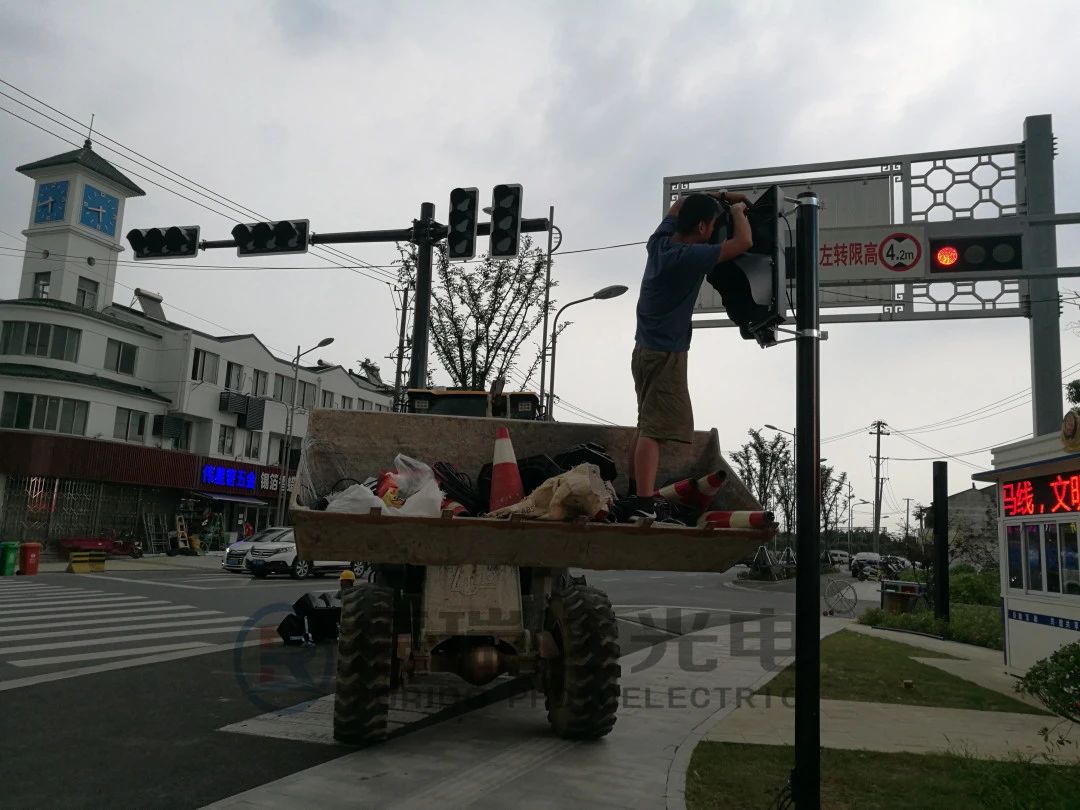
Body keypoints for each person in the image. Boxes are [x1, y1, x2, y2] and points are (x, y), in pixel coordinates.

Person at [626, 190, 753, 517]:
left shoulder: (660, 242)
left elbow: (680, 202)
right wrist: (737, 210)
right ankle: (644, 503)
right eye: (711, 224)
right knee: (654, 430)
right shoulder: (688, 256)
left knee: (647, 423)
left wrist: (721, 196)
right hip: (665, 354)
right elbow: (743, 243)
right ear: (701, 227)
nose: (712, 230)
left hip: (645, 350)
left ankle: (637, 493)